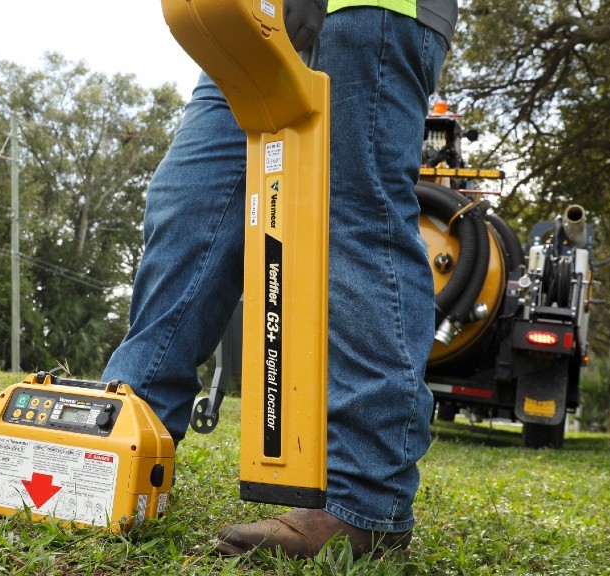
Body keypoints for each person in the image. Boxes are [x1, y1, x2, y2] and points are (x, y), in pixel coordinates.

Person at [102, 0, 458, 561]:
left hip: (369, 11)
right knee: (190, 202)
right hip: (253, 16)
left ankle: (366, 503)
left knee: (355, 215)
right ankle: (125, 437)